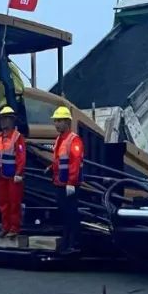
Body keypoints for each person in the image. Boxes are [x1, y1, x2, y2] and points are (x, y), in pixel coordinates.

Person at [50, 106, 84, 254]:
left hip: (69, 184)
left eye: (59, 121)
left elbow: (75, 162)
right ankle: (66, 242)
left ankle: (73, 243)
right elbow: (59, 160)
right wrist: (51, 168)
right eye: (55, 121)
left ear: (67, 122)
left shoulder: (74, 140)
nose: (56, 124)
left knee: (71, 214)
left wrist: (71, 182)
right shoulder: (59, 139)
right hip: (60, 182)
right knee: (64, 213)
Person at [0, 106, 26, 238]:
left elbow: (21, 157)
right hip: (1, 176)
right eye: (2, 119)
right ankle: (5, 227)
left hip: (13, 177)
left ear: (12, 121)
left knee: (14, 202)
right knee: (3, 203)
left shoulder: (17, 137)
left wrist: (18, 173)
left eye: (6, 119)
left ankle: (14, 228)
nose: (4, 121)